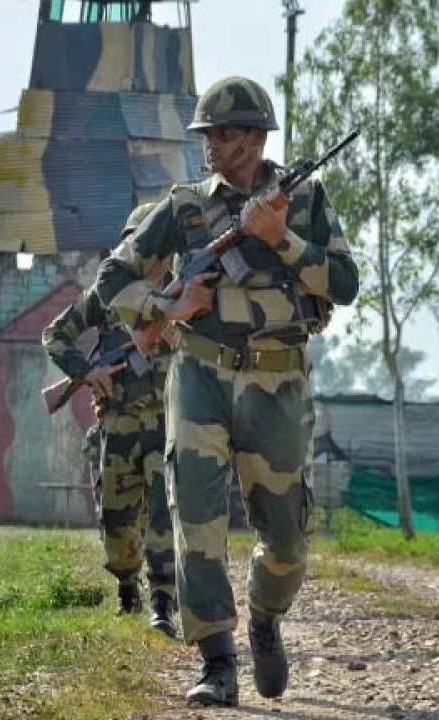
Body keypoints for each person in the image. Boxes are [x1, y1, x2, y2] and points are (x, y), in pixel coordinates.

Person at [91, 76, 359, 706]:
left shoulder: (306, 201)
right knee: (196, 518)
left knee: (287, 539)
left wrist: (279, 238)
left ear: (257, 140)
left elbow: (345, 284)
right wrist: (170, 305)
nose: (209, 144)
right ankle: (217, 660)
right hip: (200, 375)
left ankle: (265, 618)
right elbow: (112, 278)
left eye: (224, 134)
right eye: (206, 134)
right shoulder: (184, 206)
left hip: (278, 381)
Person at [41, 202, 179, 638]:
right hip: (117, 425)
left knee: (164, 514)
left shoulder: (182, 291)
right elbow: (55, 335)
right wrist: (86, 372)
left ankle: (163, 600)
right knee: (117, 520)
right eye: (138, 244)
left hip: (167, 422)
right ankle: (127, 589)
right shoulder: (105, 294)